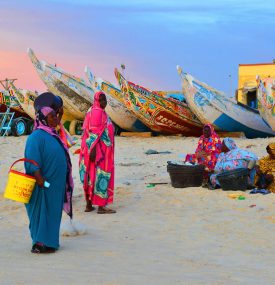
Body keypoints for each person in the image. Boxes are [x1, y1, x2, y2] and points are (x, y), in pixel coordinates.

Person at [24, 102, 73, 254]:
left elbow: (63, 132)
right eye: (51, 116)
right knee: (42, 211)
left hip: (54, 185)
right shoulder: (36, 137)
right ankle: (39, 243)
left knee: (52, 212)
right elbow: (32, 160)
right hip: (42, 183)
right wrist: (39, 178)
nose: (54, 118)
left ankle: (50, 242)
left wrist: (60, 114)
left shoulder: (51, 133)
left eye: (55, 115)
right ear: (43, 118)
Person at [79, 91, 116, 214]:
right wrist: (93, 151)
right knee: (101, 174)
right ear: (96, 100)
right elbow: (93, 133)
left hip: (92, 150)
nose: (104, 102)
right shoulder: (97, 112)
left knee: (90, 175)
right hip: (99, 152)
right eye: (101, 100)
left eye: (105, 99)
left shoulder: (92, 110)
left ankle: (89, 204)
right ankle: (101, 206)